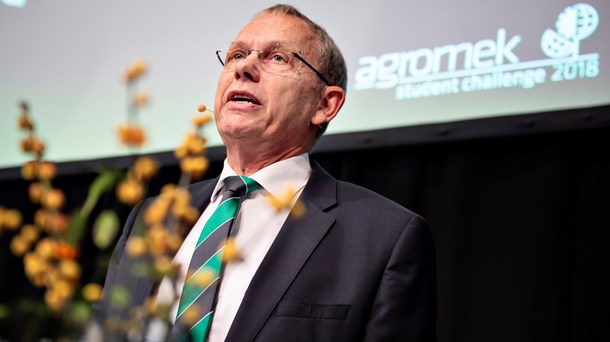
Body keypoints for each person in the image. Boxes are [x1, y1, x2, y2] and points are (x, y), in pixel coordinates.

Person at [96, 4, 436, 341]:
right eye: (236, 54)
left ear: (325, 104)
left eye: (277, 58)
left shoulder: (385, 237)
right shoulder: (153, 216)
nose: (244, 68)